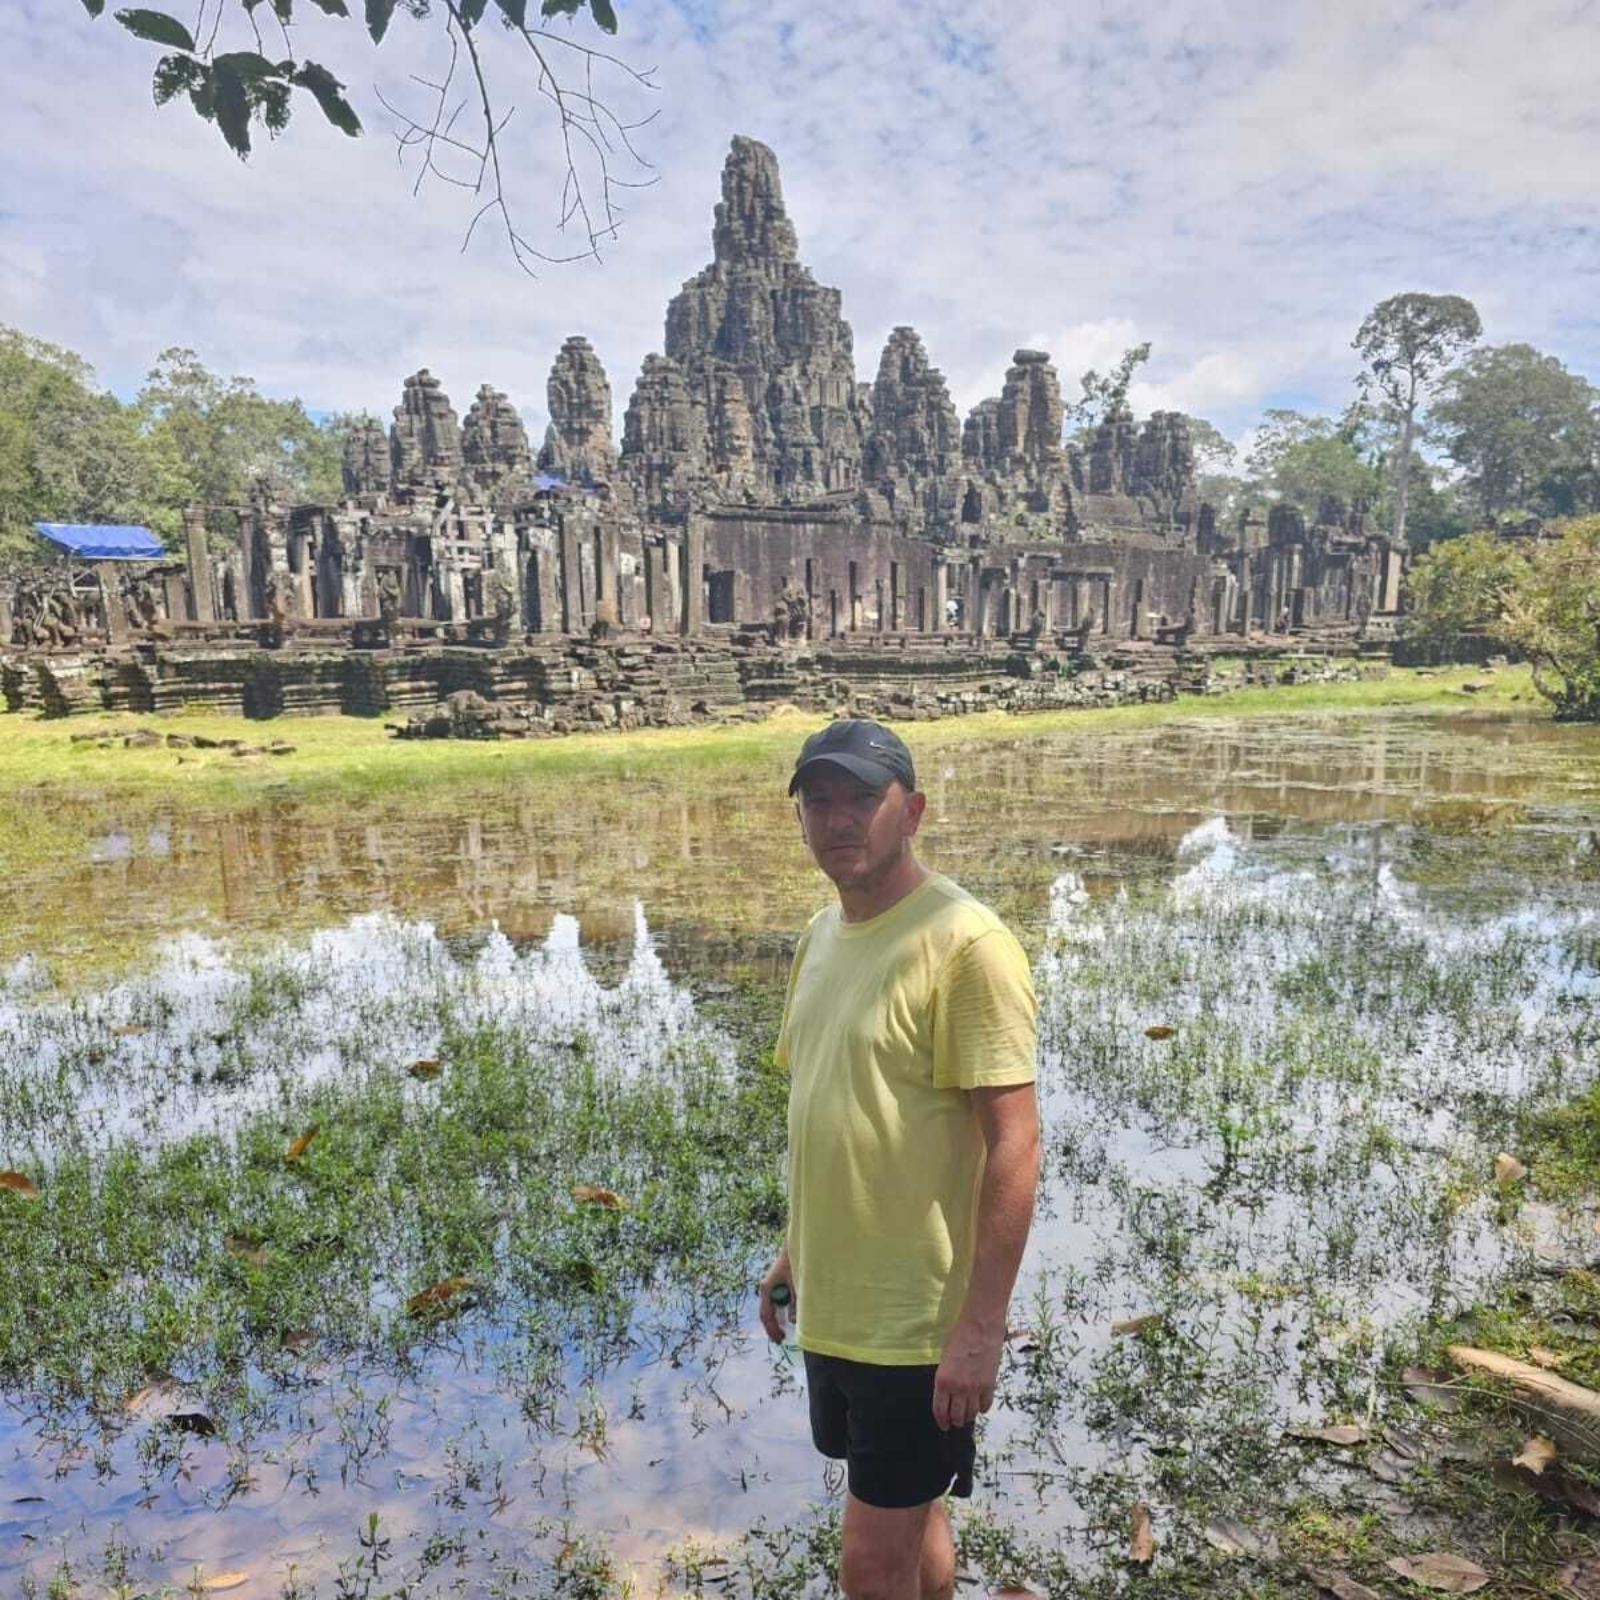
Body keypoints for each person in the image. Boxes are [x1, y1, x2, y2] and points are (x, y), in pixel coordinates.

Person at [760, 718, 1040, 1600]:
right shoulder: (820, 937)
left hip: (916, 1326)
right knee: (915, 1516)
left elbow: (1016, 1144)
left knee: (867, 1565)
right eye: (819, 801)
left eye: (862, 799)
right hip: (841, 1305)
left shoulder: (966, 944)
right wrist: (795, 1250)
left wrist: (978, 1329)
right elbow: (832, 1109)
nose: (839, 820)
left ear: (911, 810)